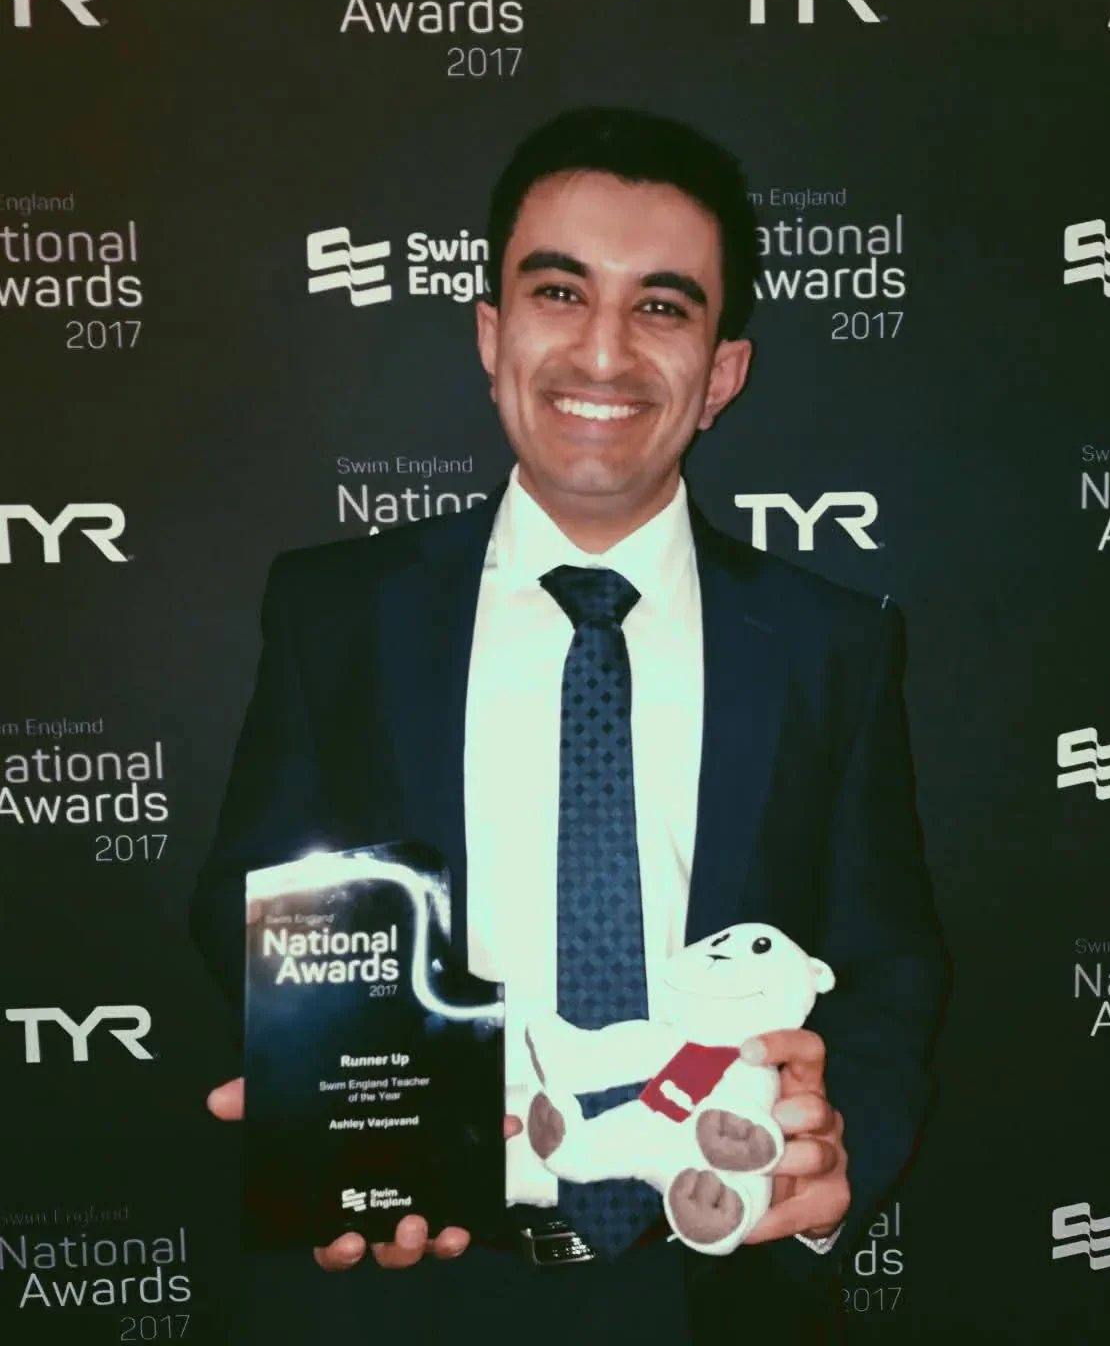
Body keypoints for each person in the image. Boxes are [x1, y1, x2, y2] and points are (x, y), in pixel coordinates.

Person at [191, 106, 949, 1345]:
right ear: (492, 335)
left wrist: (828, 1161)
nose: (601, 354)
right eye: (558, 291)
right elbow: (252, 897)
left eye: (661, 306)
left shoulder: (832, 645)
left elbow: (886, 960)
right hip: (408, 1272)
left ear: (720, 374)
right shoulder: (335, 612)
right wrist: (335, 1104)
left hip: (713, 1284)